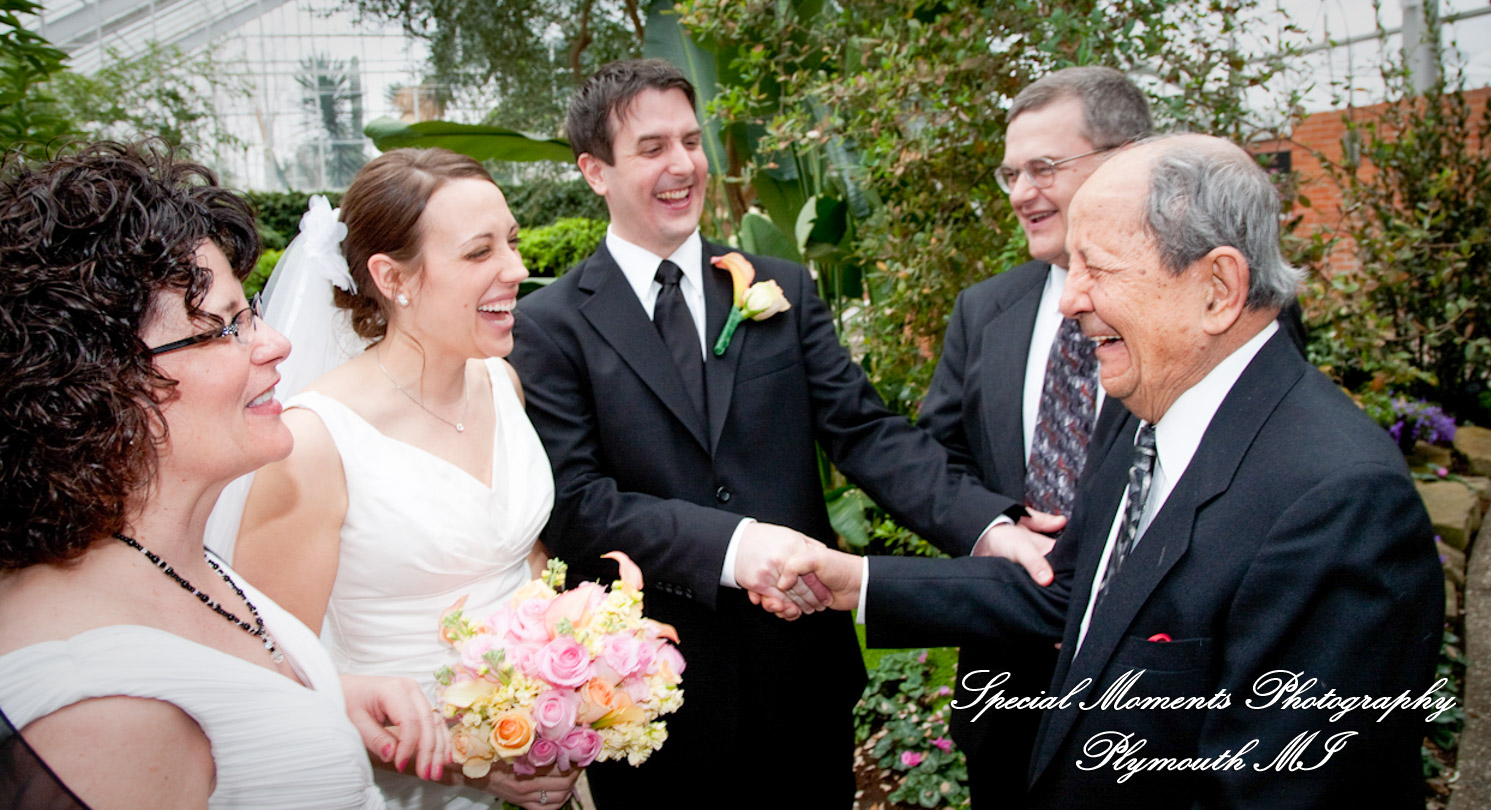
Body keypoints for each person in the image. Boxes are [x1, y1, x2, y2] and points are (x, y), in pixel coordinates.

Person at [774, 134, 1445, 807]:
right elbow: (1075, 599)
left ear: (1217, 288)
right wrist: (857, 582)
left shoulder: (1342, 504)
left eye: (1098, 269)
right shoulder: (1144, 413)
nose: (1070, 301)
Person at [507, 58, 1041, 808]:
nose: (683, 165)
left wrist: (988, 528)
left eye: (692, 141)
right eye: (652, 147)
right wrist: (737, 548)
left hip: (802, 678)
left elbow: (864, 432)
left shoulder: (778, 288)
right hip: (648, 696)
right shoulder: (549, 326)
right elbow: (580, 505)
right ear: (595, 170)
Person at [0, 141, 446, 810]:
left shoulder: (161, 549)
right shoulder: (103, 707)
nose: (275, 344)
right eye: (223, 329)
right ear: (105, 383)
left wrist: (327, 697)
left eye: (254, 311)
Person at [232, 148, 578, 810]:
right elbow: (275, 671)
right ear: (394, 277)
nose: (517, 269)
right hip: (403, 783)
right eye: (480, 253)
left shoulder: (501, 382)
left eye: (511, 241)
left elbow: (516, 557)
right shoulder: (314, 442)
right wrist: (466, 764)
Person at [919, 66, 1154, 802]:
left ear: (1126, 159)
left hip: (1154, 689)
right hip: (1007, 686)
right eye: (1011, 172)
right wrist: (994, 530)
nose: (1021, 193)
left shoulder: (1199, 310)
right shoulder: (985, 309)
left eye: (1044, 168)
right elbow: (939, 456)